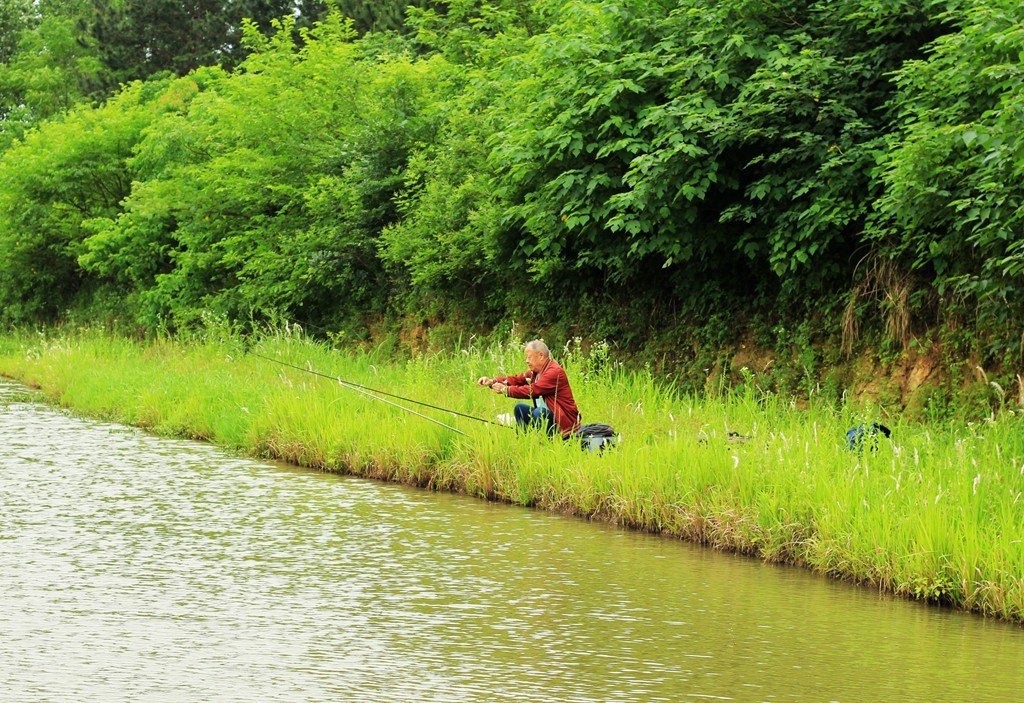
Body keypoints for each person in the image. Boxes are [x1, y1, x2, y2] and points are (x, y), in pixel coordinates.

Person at [477, 339, 581, 438]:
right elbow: (517, 379)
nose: (526, 361)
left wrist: (506, 390)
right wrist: (492, 381)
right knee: (519, 408)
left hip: (564, 422)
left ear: (541, 356)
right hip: (549, 416)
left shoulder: (554, 372)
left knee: (538, 412)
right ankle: (524, 439)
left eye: (529, 357)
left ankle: (548, 443)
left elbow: (533, 390)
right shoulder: (536, 372)